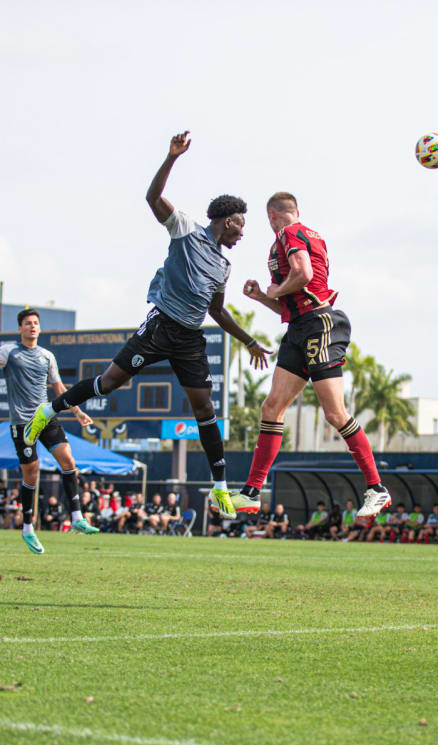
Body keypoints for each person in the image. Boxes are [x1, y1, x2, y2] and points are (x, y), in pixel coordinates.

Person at [24, 132, 271, 521]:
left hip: (190, 338)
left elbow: (218, 312)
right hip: (160, 326)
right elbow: (153, 199)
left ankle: (220, 489)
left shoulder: (224, 265)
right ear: (228, 221)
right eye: (241, 226)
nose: (243, 233)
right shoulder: (186, 228)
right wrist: (171, 157)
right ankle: (48, 411)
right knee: (107, 383)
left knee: (204, 407)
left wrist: (251, 341)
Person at [230, 191, 391, 521]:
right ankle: (251, 492)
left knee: (334, 414)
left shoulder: (290, 234)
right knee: (271, 407)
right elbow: (293, 300)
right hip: (300, 327)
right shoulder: (296, 238)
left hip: (320, 324)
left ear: (272, 217)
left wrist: (273, 289)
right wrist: (263, 296)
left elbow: (301, 275)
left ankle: (377, 488)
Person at [0, 308, 99, 555]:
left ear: (40, 328)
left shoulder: (47, 356)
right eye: (28, 323)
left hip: (45, 417)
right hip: (22, 423)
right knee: (32, 473)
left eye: (36, 323)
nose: (32, 326)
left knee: (69, 460)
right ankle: (28, 527)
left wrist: (78, 412)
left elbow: (59, 387)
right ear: (20, 328)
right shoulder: (9, 351)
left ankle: (78, 517)